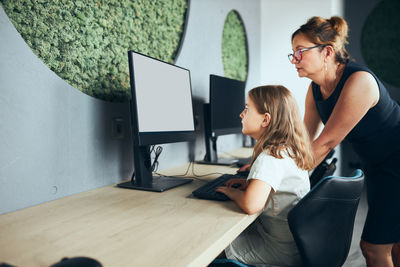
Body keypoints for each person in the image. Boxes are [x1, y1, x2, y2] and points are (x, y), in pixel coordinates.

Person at [289, 16, 400, 266]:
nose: (294, 59)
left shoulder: (359, 82)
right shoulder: (315, 89)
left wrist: (273, 177)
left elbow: (326, 143)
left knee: (373, 248)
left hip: (396, 159)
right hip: (376, 165)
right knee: (393, 243)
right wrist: (268, 161)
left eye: (300, 51)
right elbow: (305, 140)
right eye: (292, 53)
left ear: (327, 52)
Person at [216, 85, 315, 266]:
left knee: (213, 245)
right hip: (295, 245)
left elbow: (251, 205)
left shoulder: (270, 156)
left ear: (265, 119)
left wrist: (231, 192)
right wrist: (250, 183)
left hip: (278, 251)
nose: (241, 114)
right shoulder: (287, 150)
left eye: (246, 109)